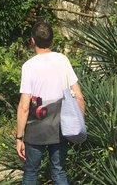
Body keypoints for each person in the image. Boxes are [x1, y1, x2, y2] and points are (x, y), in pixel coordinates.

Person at [15, 19, 85, 185]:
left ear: (33, 40)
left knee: (31, 173)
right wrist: (79, 125)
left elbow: (24, 107)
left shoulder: (29, 66)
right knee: (59, 172)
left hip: (35, 129)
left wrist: (19, 137)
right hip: (60, 128)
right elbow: (79, 96)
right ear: (51, 40)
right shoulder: (63, 60)